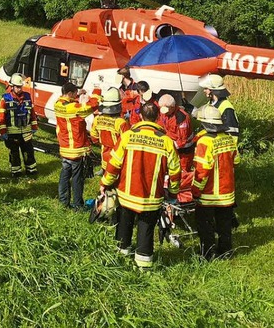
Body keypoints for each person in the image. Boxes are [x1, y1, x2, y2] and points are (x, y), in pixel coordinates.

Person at [100, 102, 181, 269]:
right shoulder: (166, 142)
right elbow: (175, 171)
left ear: (142, 117)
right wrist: (172, 194)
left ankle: (121, 260)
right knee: (146, 231)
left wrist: (105, 183)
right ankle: (144, 267)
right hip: (151, 199)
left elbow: (113, 163)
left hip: (126, 196)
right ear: (158, 118)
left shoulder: (128, 136)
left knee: (124, 227)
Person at [191, 105, 240, 261]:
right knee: (224, 225)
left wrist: (195, 191)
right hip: (227, 193)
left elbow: (202, 171)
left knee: (205, 226)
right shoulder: (228, 138)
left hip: (209, 194)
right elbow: (236, 161)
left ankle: (208, 255)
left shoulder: (205, 142)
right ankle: (226, 253)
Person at [55, 81, 100, 209]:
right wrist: (97, 91)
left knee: (64, 175)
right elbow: (92, 106)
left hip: (64, 148)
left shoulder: (58, 103)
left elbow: (70, 102)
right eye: (74, 94)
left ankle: (63, 202)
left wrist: (78, 93)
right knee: (77, 179)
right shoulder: (73, 108)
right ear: (70, 94)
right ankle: (77, 205)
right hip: (76, 149)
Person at [0, 73, 38, 177]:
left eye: (20, 87)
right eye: (17, 87)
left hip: (26, 132)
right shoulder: (5, 99)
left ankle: (31, 170)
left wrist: (34, 126)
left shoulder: (27, 97)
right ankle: (16, 172)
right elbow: (1, 116)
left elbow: (32, 112)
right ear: (12, 86)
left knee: (28, 152)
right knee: (14, 153)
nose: (19, 89)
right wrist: (3, 131)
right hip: (12, 133)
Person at [90, 87, 130, 172]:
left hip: (104, 153)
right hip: (118, 156)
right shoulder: (121, 122)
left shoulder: (97, 119)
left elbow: (93, 137)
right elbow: (127, 141)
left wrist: (101, 142)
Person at [157, 94, 196, 180]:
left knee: (182, 176)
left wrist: (168, 147)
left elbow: (182, 141)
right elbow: (160, 126)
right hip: (171, 149)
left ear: (172, 107)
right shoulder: (164, 113)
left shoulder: (182, 118)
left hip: (184, 153)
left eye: (166, 110)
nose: (165, 113)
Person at [198, 74, 239, 139]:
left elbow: (233, 132)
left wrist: (230, 148)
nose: (204, 91)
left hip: (221, 146)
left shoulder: (227, 107)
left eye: (206, 88)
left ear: (212, 90)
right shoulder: (211, 103)